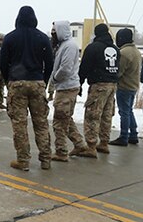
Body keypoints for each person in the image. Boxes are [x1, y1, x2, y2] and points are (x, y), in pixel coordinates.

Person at [0, 6, 54, 171]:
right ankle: (46, 159)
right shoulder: (43, 38)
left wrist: (9, 80)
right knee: (41, 123)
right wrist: (42, 80)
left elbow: (2, 63)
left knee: (19, 124)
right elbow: (49, 63)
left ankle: (23, 160)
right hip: (37, 82)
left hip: (17, 83)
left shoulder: (10, 38)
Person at [78, 23, 120, 158]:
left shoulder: (93, 48)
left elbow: (84, 67)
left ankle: (91, 146)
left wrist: (79, 82)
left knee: (93, 115)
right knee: (107, 115)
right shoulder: (115, 49)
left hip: (99, 85)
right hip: (112, 84)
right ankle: (104, 142)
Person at [50, 21, 87, 162]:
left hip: (66, 88)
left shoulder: (69, 46)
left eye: (54, 31)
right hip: (65, 87)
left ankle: (61, 152)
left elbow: (65, 68)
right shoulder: (64, 45)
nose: (52, 34)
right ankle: (79, 144)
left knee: (59, 122)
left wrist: (54, 78)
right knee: (66, 119)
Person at [109, 28, 141, 146]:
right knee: (129, 111)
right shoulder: (136, 51)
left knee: (124, 112)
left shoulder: (124, 53)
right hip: (133, 86)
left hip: (124, 86)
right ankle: (133, 134)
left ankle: (123, 137)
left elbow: (119, 71)